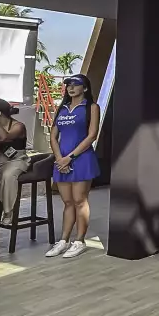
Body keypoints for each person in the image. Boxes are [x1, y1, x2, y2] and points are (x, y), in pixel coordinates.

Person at [45, 75, 101, 260]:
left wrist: (70, 157)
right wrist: (60, 159)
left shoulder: (92, 107)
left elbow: (92, 135)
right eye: (68, 84)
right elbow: (53, 136)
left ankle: (80, 241)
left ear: (85, 88)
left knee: (80, 200)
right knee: (68, 202)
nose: (71, 87)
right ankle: (64, 240)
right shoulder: (62, 108)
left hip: (82, 159)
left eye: (76, 84)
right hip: (61, 161)